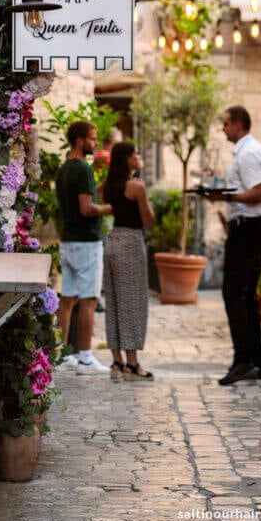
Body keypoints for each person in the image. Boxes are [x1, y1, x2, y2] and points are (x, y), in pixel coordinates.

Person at [205, 105, 261, 385]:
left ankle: (245, 360)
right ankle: (256, 362)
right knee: (244, 295)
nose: (223, 129)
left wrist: (227, 198)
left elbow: (260, 192)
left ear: (238, 125)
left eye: (226, 124)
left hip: (248, 228)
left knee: (235, 293)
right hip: (246, 227)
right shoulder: (245, 152)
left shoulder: (248, 153)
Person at [56, 120, 113, 375]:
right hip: (87, 243)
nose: (95, 143)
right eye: (92, 138)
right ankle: (86, 358)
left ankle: (62, 355)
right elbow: (87, 208)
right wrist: (111, 208)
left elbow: (86, 197)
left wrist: (102, 186)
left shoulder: (64, 169)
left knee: (67, 299)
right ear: (80, 140)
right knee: (89, 300)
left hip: (68, 241)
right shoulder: (83, 170)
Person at [102, 142, 155, 381]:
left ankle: (117, 360)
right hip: (131, 242)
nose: (139, 156)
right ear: (127, 158)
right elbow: (148, 220)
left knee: (114, 301)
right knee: (132, 302)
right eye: (136, 153)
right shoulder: (136, 186)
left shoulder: (109, 185)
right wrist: (144, 195)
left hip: (113, 241)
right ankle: (132, 363)